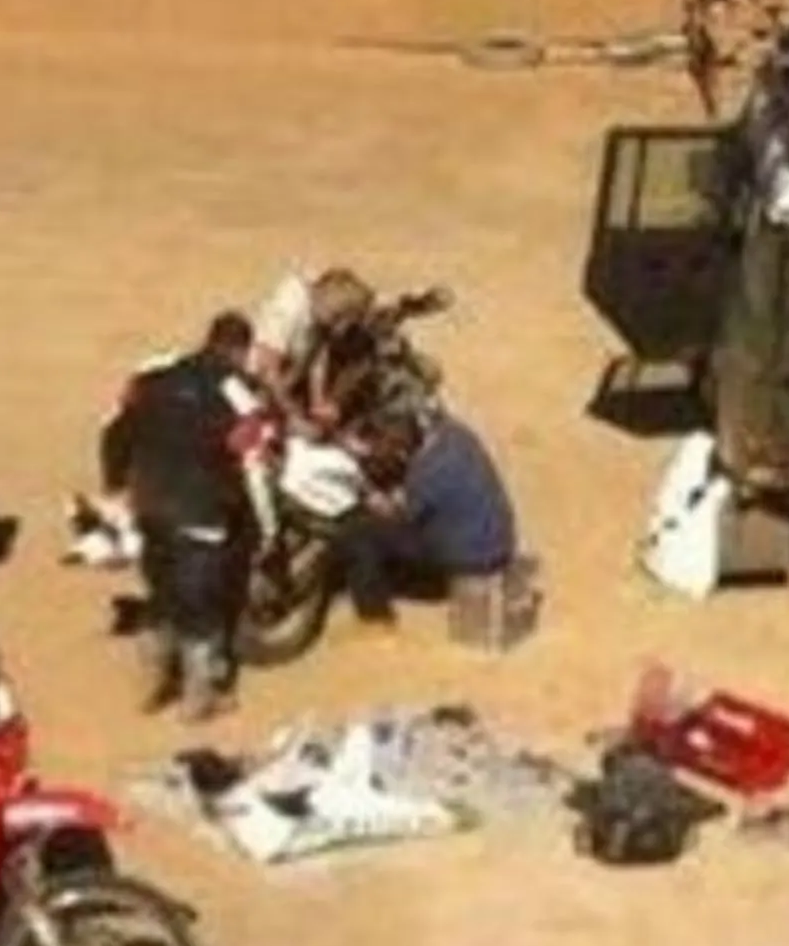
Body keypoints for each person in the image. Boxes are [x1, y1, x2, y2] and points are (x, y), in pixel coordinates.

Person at [100, 312, 272, 722]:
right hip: (201, 509)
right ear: (239, 351)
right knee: (201, 604)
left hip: (151, 505)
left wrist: (115, 483)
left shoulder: (153, 378)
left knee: (162, 595)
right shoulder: (238, 391)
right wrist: (265, 523)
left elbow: (115, 432)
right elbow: (253, 457)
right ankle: (199, 700)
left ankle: (151, 686)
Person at [332, 409, 520, 629]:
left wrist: (370, 496)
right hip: (499, 542)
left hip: (469, 561)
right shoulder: (457, 434)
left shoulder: (425, 475)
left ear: (401, 451)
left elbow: (397, 515)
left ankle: (375, 618)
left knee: (358, 532)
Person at [247, 266, 376, 427]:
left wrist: (319, 401)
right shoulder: (288, 308)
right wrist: (296, 417)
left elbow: (318, 354)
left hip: (283, 387)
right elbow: (267, 371)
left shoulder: (319, 310)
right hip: (252, 389)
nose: (341, 329)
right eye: (339, 319)